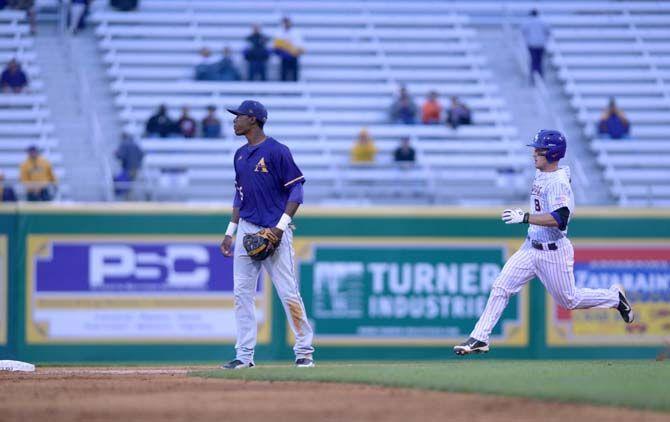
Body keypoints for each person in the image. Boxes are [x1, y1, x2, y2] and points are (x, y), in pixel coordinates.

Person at [453, 130, 635, 356]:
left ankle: (614, 298)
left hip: (553, 251)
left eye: (539, 149)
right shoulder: (545, 173)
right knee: (501, 287)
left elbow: (561, 219)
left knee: (569, 300)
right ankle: (479, 338)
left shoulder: (557, 182)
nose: (534, 153)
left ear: (552, 153)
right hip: (531, 246)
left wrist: (526, 217)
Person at [219, 100, 315, 369]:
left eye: (238, 116)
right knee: (241, 294)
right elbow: (239, 197)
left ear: (253, 119)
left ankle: (304, 351)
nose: (234, 120)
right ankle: (244, 356)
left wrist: (279, 228)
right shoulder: (239, 155)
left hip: (275, 228)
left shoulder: (277, 151)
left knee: (288, 292)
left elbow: (297, 192)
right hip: (247, 227)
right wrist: (230, 231)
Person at [521, 9, 550, 85]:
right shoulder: (543, 22)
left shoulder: (527, 22)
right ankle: (540, 76)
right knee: (540, 61)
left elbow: (523, 32)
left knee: (533, 60)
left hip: (532, 44)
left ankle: (533, 77)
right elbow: (548, 32)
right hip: (541, 44)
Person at [273, 17, 304, 82]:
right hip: (284, 57)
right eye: (285, 22)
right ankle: (283, 90)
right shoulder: (279, 33)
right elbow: (276, 46)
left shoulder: (296, 33)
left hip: (294, 56)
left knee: (295, 75)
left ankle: (295, 89)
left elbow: (300, 46)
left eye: (288, 22)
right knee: (283, 75)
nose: (286, 24)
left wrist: (293, 51)